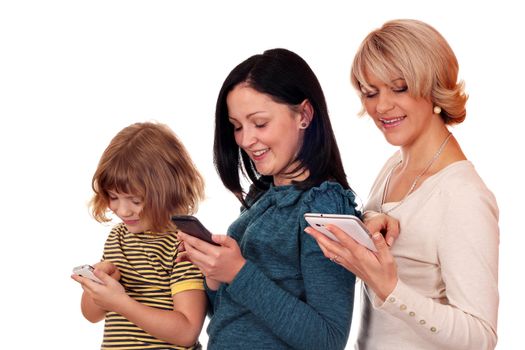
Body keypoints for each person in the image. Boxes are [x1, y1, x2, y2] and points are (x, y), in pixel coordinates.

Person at [305, 19, 499, 349]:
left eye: (399, 88)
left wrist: (391, 289)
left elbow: (481, 337)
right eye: (370, 92)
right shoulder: (395, 166)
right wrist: (367, 228)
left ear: (433, 87)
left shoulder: (463, 194)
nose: (381, 106)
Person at [177, 48, 358, 349]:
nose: (246, 140)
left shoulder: (323, 205)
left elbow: (328, 338)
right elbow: (235, 315)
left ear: (304, 115)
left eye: (259, 123)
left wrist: (237, 271)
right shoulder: (261, 198)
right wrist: (214, 273)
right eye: (237, 126)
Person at [71, 122, 207, 350]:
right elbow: (92, 315)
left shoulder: (184, 243)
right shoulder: (118, 237)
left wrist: (122, 303)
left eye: (135, 200)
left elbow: (187, 332)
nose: (123, 211)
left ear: (167, 192)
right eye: (113, 197)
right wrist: (98, 284)